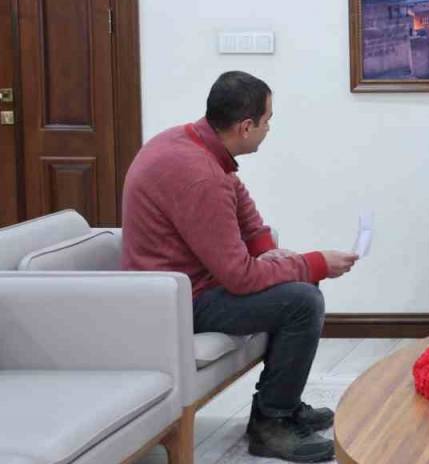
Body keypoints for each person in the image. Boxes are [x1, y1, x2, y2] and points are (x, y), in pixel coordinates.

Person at [122, 71, 357, 463]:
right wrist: (313, 263)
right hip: (177, 301)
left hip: (185, 286)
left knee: (299, 290)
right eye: (267, 121)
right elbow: (240, 276)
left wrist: (269, 250)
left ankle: (281, 406)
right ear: (245, 127)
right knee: (302, 300)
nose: (269, 129)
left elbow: (240, 202)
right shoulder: (198, 175)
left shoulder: (193, 142)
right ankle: (271, 424)